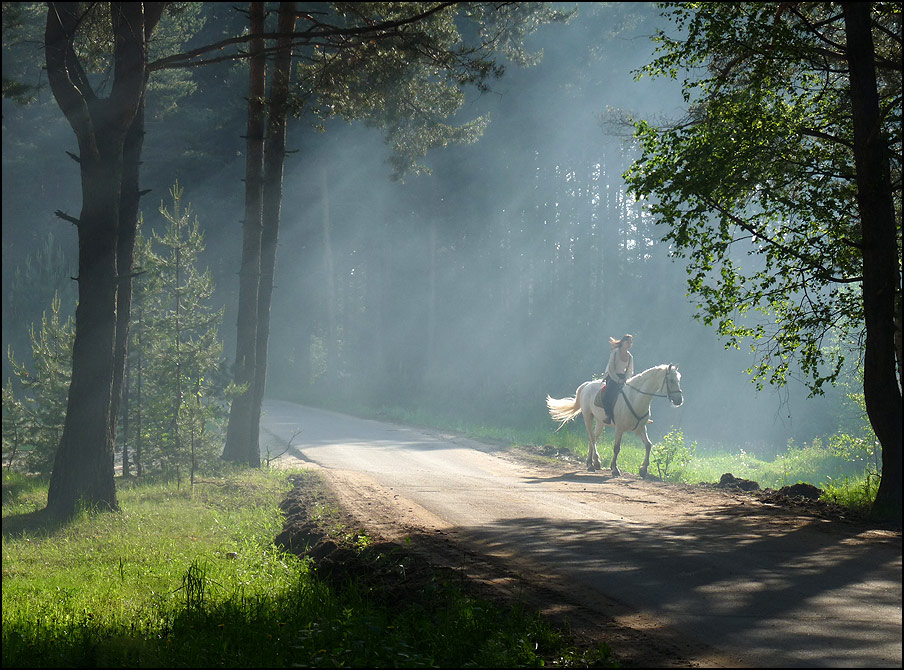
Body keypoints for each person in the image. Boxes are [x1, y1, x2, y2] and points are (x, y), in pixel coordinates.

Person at [599, 333, 634, 424]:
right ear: (622, 342)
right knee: (607, 395)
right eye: (627, 342)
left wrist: (626, 380)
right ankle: (608, 415)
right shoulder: (615, 352)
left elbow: (630, 371)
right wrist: (617, 379)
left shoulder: (630, 357)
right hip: (612, 376)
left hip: (623, 378)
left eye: (630, 343)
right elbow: (611, 368)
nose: (629, 345)